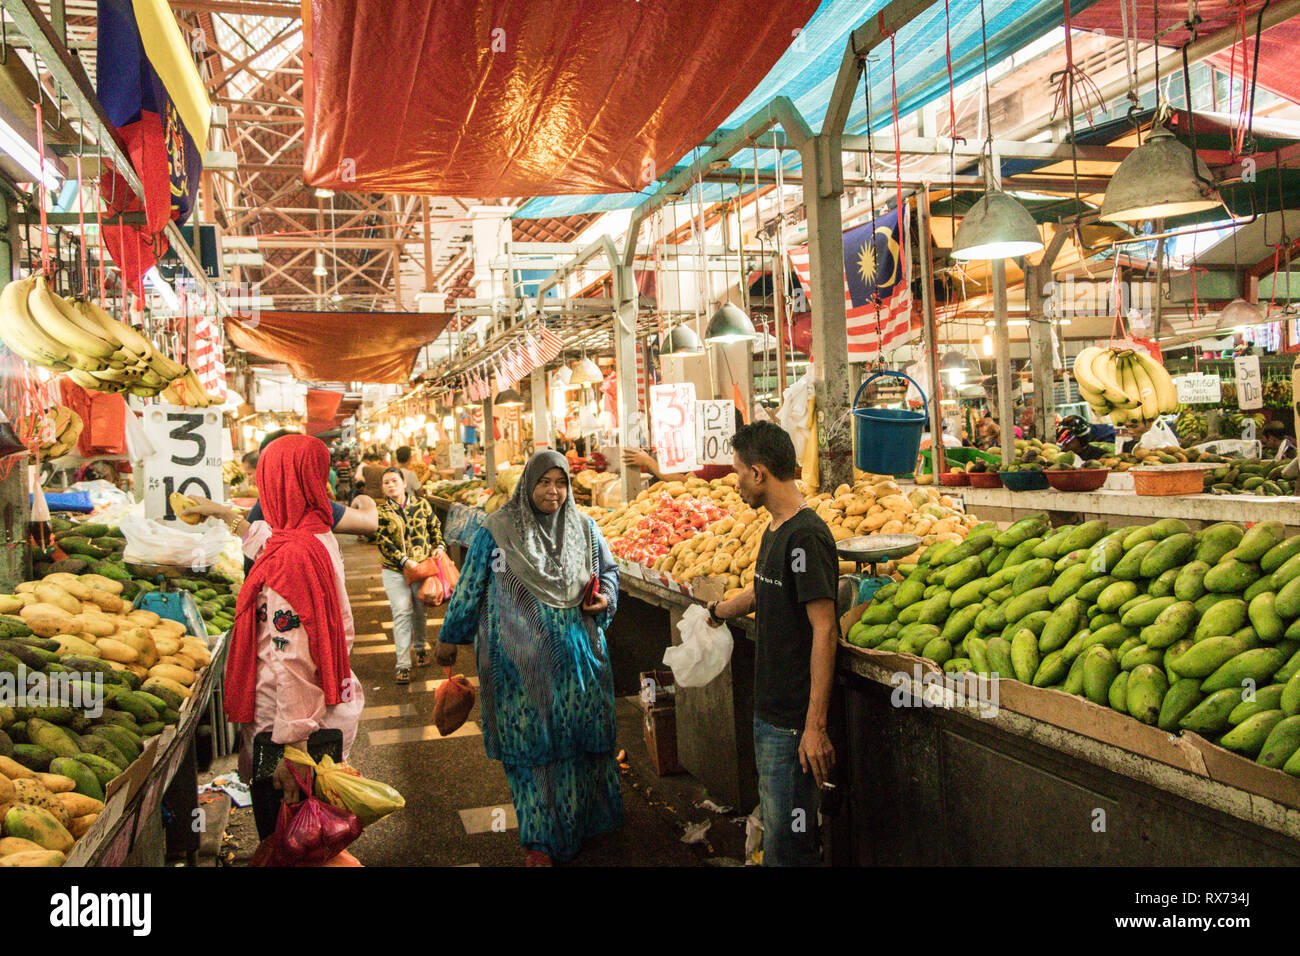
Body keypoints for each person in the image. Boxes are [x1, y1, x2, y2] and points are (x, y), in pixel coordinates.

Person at [436, 450, 621, 866]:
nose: (553, 492)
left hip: (579, 663)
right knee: (531, 749)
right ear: (527, 485)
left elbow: (608, 571)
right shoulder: (496, 531)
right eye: (543, 482)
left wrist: (605, 597)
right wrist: (450, 637)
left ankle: (584, 829)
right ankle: (540, 841)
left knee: (576, 746)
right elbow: (470, 586)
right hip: (519, 666)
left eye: (560, 483)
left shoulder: (585, 528)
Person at [703, 421, 838, 867]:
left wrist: (814, 727)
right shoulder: (776, 529)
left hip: (794, 723)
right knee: (780, 834)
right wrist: (721, 610)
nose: (735, 481)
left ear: (759, 474)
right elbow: (766, 589)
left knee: (789, 846)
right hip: (771, 712)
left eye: (739, 471)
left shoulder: (806, 536)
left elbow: (825, 628)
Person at [221, 435, 365, 837]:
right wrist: (220, 513)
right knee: (309, 835)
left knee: (286, 834)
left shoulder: (290, 558)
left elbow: (291, 658)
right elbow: (263, 540)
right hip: (320, 709)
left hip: (284, 728)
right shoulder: (313, 535)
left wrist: (293, 746)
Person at [376, 467, 447, 684]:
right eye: (386, 482)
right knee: (401, 611)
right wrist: (403, 560)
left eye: (394, 481)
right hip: (394, 570)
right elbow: (382, 541)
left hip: (421, 567)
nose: (390, 485)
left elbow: (435, 527)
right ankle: (403, 664)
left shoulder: (421, 505)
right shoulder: (381, 512)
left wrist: (440, 546)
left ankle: (420, 648)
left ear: (404, 483)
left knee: (419, 610)